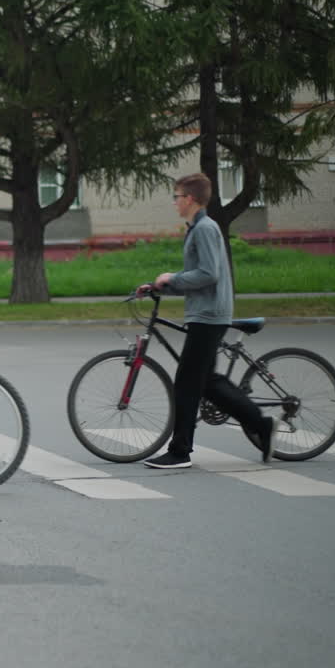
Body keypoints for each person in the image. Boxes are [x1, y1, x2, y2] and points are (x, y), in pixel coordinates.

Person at [139, 172, 276, 469]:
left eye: (176, 197)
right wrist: (160, 285)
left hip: (209, 315)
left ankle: (180, 451)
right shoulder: (199, 228)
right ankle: (261, 425)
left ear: (189, 199)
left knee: (187, 382)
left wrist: (171, 278)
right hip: (206, 312)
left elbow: (208, 274)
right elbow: (199, 276)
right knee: (207, 382)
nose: (174, 202)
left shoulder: (204, 228)